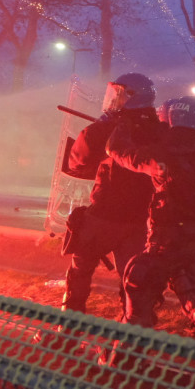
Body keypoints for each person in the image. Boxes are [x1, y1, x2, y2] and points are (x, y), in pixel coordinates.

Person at [106, 96, 195, 345]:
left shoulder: (157, 155)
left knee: (138, 292)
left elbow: (116, 150)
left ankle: (122, 363)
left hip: (164, 243)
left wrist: (123, 123)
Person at [60, 73, 161, 314]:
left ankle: (68, 330)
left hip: (104, 215)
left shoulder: (111, 127)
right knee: (133, 280)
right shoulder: (160, 129)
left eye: (118, 94)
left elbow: (77, 160)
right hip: (139, 219)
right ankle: (132, 337)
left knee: (79, 269)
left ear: (132, 96)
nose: (114, 100)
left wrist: (100, 126)